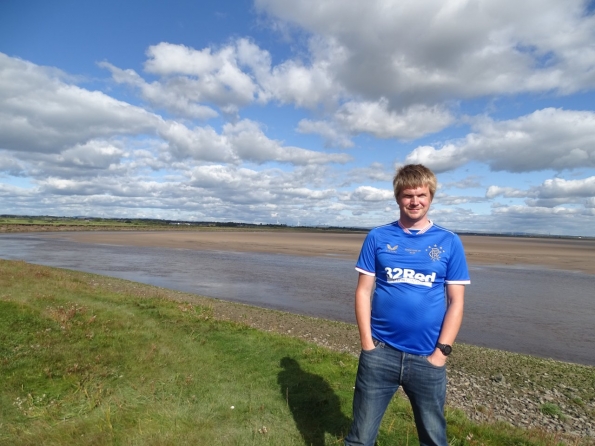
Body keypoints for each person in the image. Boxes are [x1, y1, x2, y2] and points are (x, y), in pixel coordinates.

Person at [344, 164, 470, 446]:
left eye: (421, 195)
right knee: (360, 438)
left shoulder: (449, 242)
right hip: (381, 353)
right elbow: (363, 292)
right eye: (407, 195)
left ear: (431, 197)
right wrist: (367, 344)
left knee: (434, 439)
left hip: (428, 357)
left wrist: (442, 353)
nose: (415, 201)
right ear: (398, 197)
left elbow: (456, 302)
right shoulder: (378, 237)